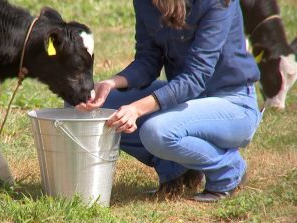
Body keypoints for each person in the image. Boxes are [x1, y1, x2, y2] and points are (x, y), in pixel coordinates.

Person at [76, 0, 262, 202]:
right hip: (184, 99)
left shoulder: (216, 3)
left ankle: (229, 170)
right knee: (84, 106)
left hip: (233, 102)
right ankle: (177, 171)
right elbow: (147, 60)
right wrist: (110, 83)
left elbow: (196, 77)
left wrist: (137, 109)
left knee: (157, 132)